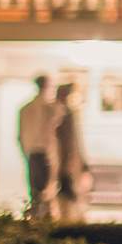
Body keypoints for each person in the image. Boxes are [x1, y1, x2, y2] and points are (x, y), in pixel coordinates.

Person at [16, 75, 59, 218]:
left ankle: (36, 216)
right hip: (43, 153)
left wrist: (25, 151)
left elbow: (20, 135)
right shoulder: (50, 109)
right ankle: (43, 218)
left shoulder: (25, 109)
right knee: (46, 191)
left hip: (32, 152)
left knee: (35, 190)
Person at [53, 81, 90, 221]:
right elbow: (69, 140)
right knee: (67, 192)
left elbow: (74, 140)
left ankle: (69, 218)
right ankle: (68, 219)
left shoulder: (66, 113)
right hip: (66, 161)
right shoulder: (63, 114)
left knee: (69, 192)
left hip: (68, 160)